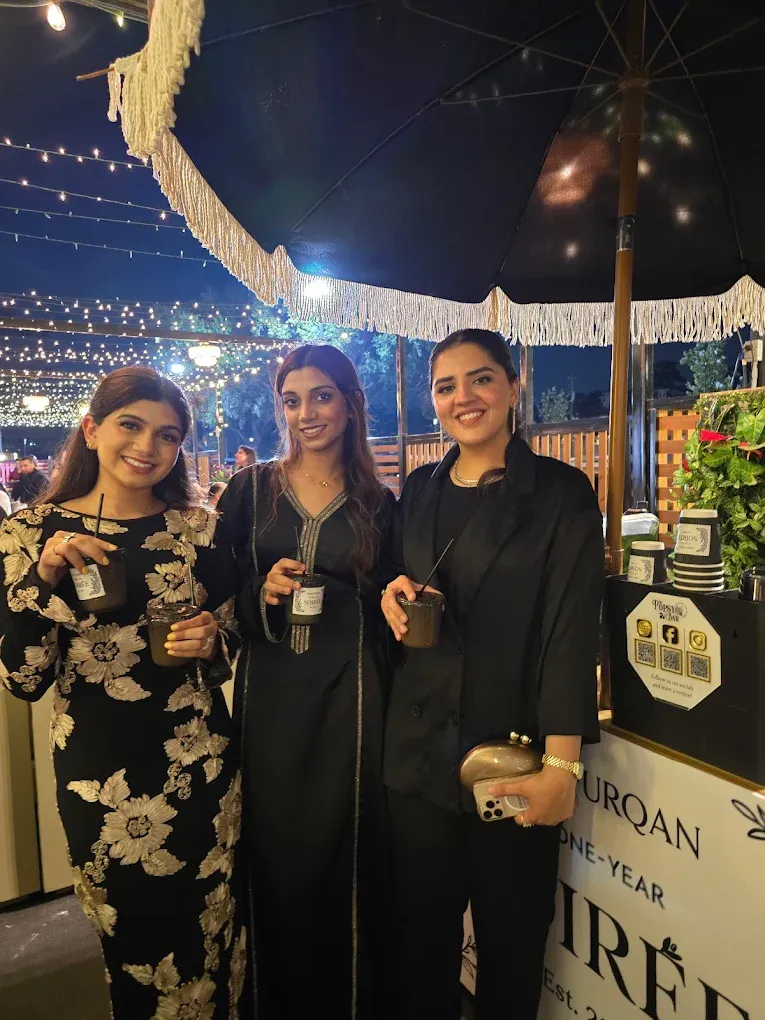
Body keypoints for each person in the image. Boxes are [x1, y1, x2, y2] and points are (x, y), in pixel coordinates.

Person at [0, 367, 248, 1020]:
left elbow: (232, 641)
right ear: (91, 430)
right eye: (130, 425)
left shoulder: (199, 530)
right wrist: (46, 576)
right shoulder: (30, 533)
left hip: (201, 765)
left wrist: (211, 643)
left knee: (212, 934)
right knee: (133, 944)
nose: (147, 446)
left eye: (167, 435)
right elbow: (23, 678)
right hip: (99, 774)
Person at [381, 329, 603, 1020]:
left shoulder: (560, 493)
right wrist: (388, 595)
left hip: (508, 757)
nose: (462, 398)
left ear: (512, 386)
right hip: (415, 759)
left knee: (510, 950)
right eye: (445, 386)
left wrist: (560, 770)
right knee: (418, 949)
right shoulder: (416, 490)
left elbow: (571, 634)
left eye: (479, 379)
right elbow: (396, 587)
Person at [218, 344, 394, 1020]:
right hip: (270, 703)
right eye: (291, 400)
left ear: (350, 402)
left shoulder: (377, 502)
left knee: (346, 853)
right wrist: (257, 591)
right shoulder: (251, 489)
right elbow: (213, 588)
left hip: (352, 699)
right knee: (274, 856)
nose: (305, 413)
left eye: (320, 396)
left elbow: (389, 603)